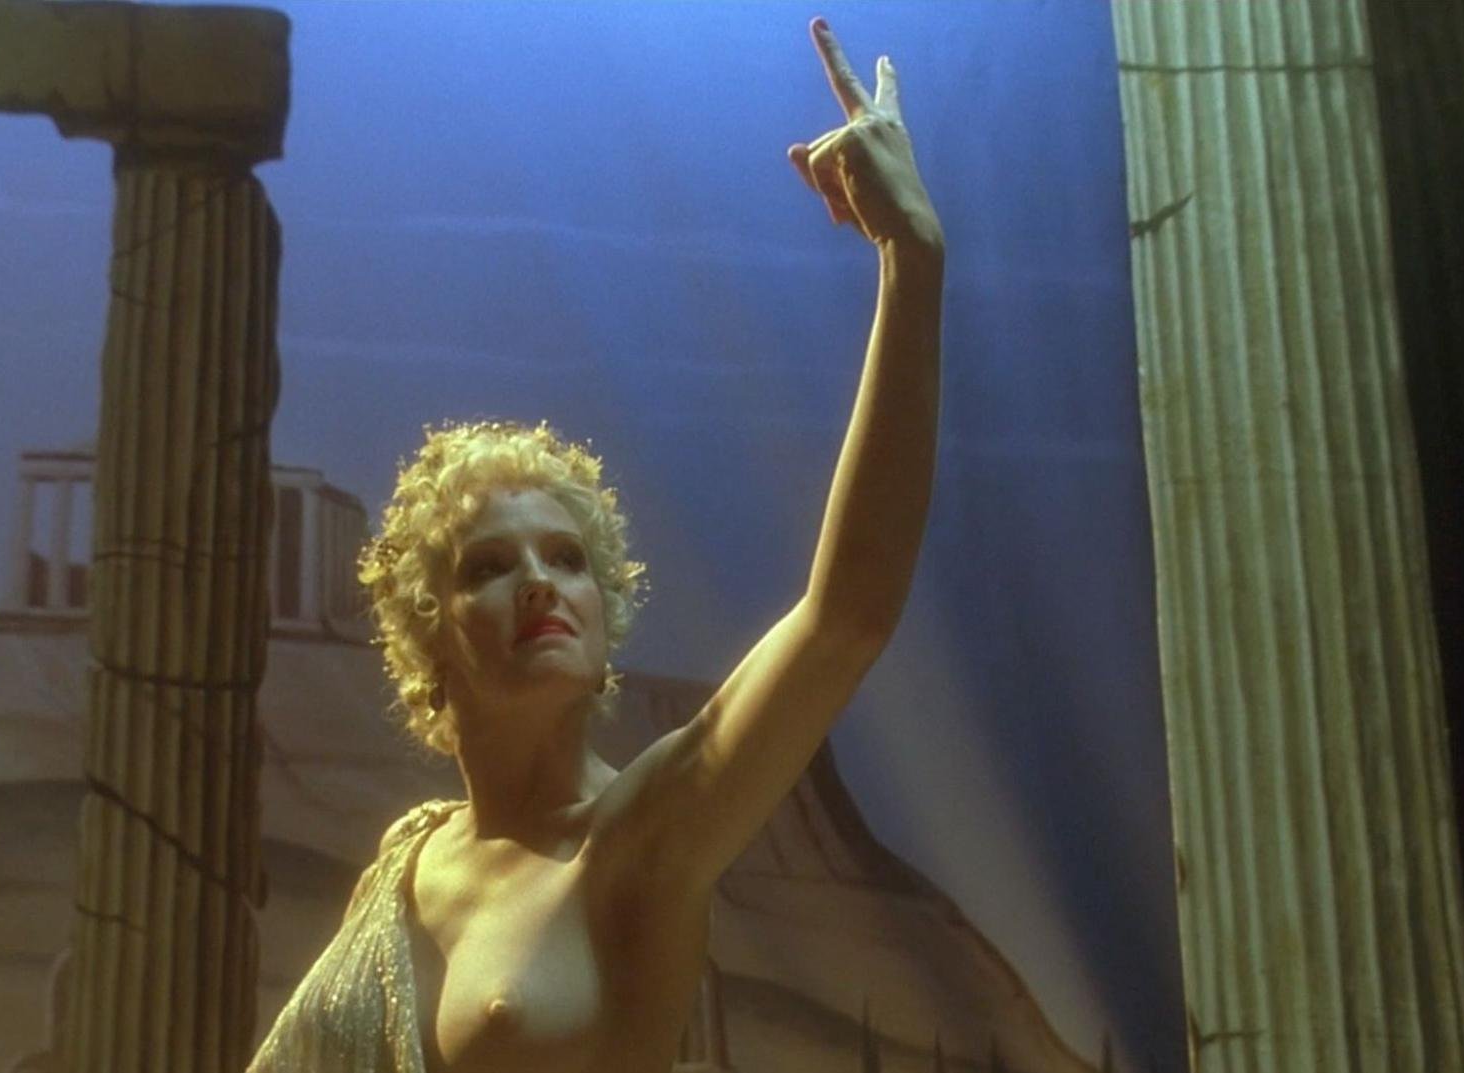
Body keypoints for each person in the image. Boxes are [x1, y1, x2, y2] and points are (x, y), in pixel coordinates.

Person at [248, 16, 944, 1073]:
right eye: (489, 566)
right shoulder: (404, 860)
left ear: (607, 610)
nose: (538, 580)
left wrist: (911, 260)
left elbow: (845, 614)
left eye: (567, 558)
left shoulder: (642, 834)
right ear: (428, 637)